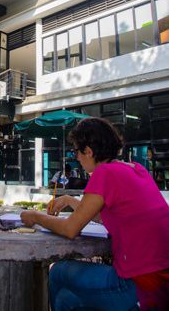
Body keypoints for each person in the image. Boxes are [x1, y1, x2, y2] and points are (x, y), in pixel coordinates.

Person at [21, 117, 169, 310]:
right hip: (161, 281)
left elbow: (70, 229)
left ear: (88, 151)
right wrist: (70, 200)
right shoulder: (136, 169)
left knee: (57, 273)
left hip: (139, 285)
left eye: (76, 151)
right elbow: (111, 216)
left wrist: (35, 216)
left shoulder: (104, 173)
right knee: (66, 299)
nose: (77, 158)